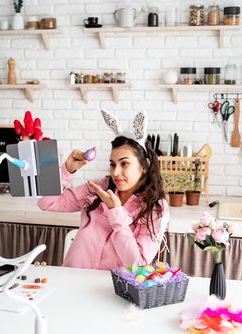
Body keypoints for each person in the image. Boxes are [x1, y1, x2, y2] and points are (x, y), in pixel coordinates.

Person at [37, 110, 170, 270]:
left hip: (110, 291)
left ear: (144, 166)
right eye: (113, 164)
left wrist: (115, 211)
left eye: (124, 164)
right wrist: (67, 170)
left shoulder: (155, 208)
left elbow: (138, 265)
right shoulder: (98, 189)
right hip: (71, 282)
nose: (115, 172)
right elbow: (46, 203)